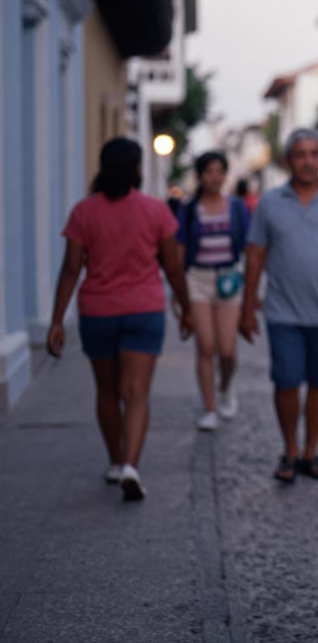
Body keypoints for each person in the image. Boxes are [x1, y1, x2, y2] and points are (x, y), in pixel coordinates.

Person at [46, 137, 194, 501]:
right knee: (137, 394)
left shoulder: (83, 212)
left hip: (97, 313)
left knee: (108, 391)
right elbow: (173, 267)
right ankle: (131, 464)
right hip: (144, 310)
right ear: (138, 169)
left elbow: (70, 269)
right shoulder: (157, 211)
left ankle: (115, 462)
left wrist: (55, 321)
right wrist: (187, 307)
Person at [239, 128, 318, 483]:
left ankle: (310, 452)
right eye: (301, 154)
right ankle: (290, 450)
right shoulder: (269, 202)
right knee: (284, 381)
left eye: (314, 153)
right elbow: (255, 254)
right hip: (282, 313)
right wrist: (247, 305)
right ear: (288, 160)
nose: (308, 161)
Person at [178, 151, 250, 431]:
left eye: (220, 171)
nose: (215, 177)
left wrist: (252, 290)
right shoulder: (189, 208)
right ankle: (209, 407)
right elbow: (180, 250)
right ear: (200, 175)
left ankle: (226, 385)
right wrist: (180, 297)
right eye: (209, 172)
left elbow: (248, 246)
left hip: (230, 279)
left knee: (228, 349)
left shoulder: (236, 207)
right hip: (198, 279)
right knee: (205, 346)